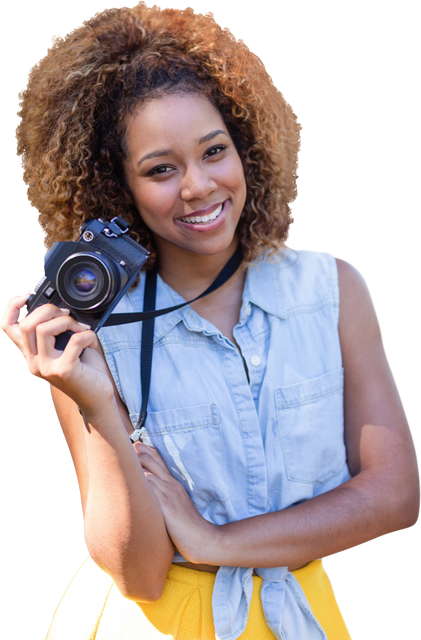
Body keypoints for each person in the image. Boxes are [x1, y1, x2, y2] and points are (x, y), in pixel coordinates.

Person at [1, 2, 419, 638]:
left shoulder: (330, 287)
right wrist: (95, 404)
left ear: (245, 148)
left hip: (297, 617)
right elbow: (138, 573)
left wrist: (213, 540)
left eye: (213, 151)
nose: (197, 186)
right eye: (161, 169)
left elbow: (395, 497)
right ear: (119, 187)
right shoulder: (89, 330)